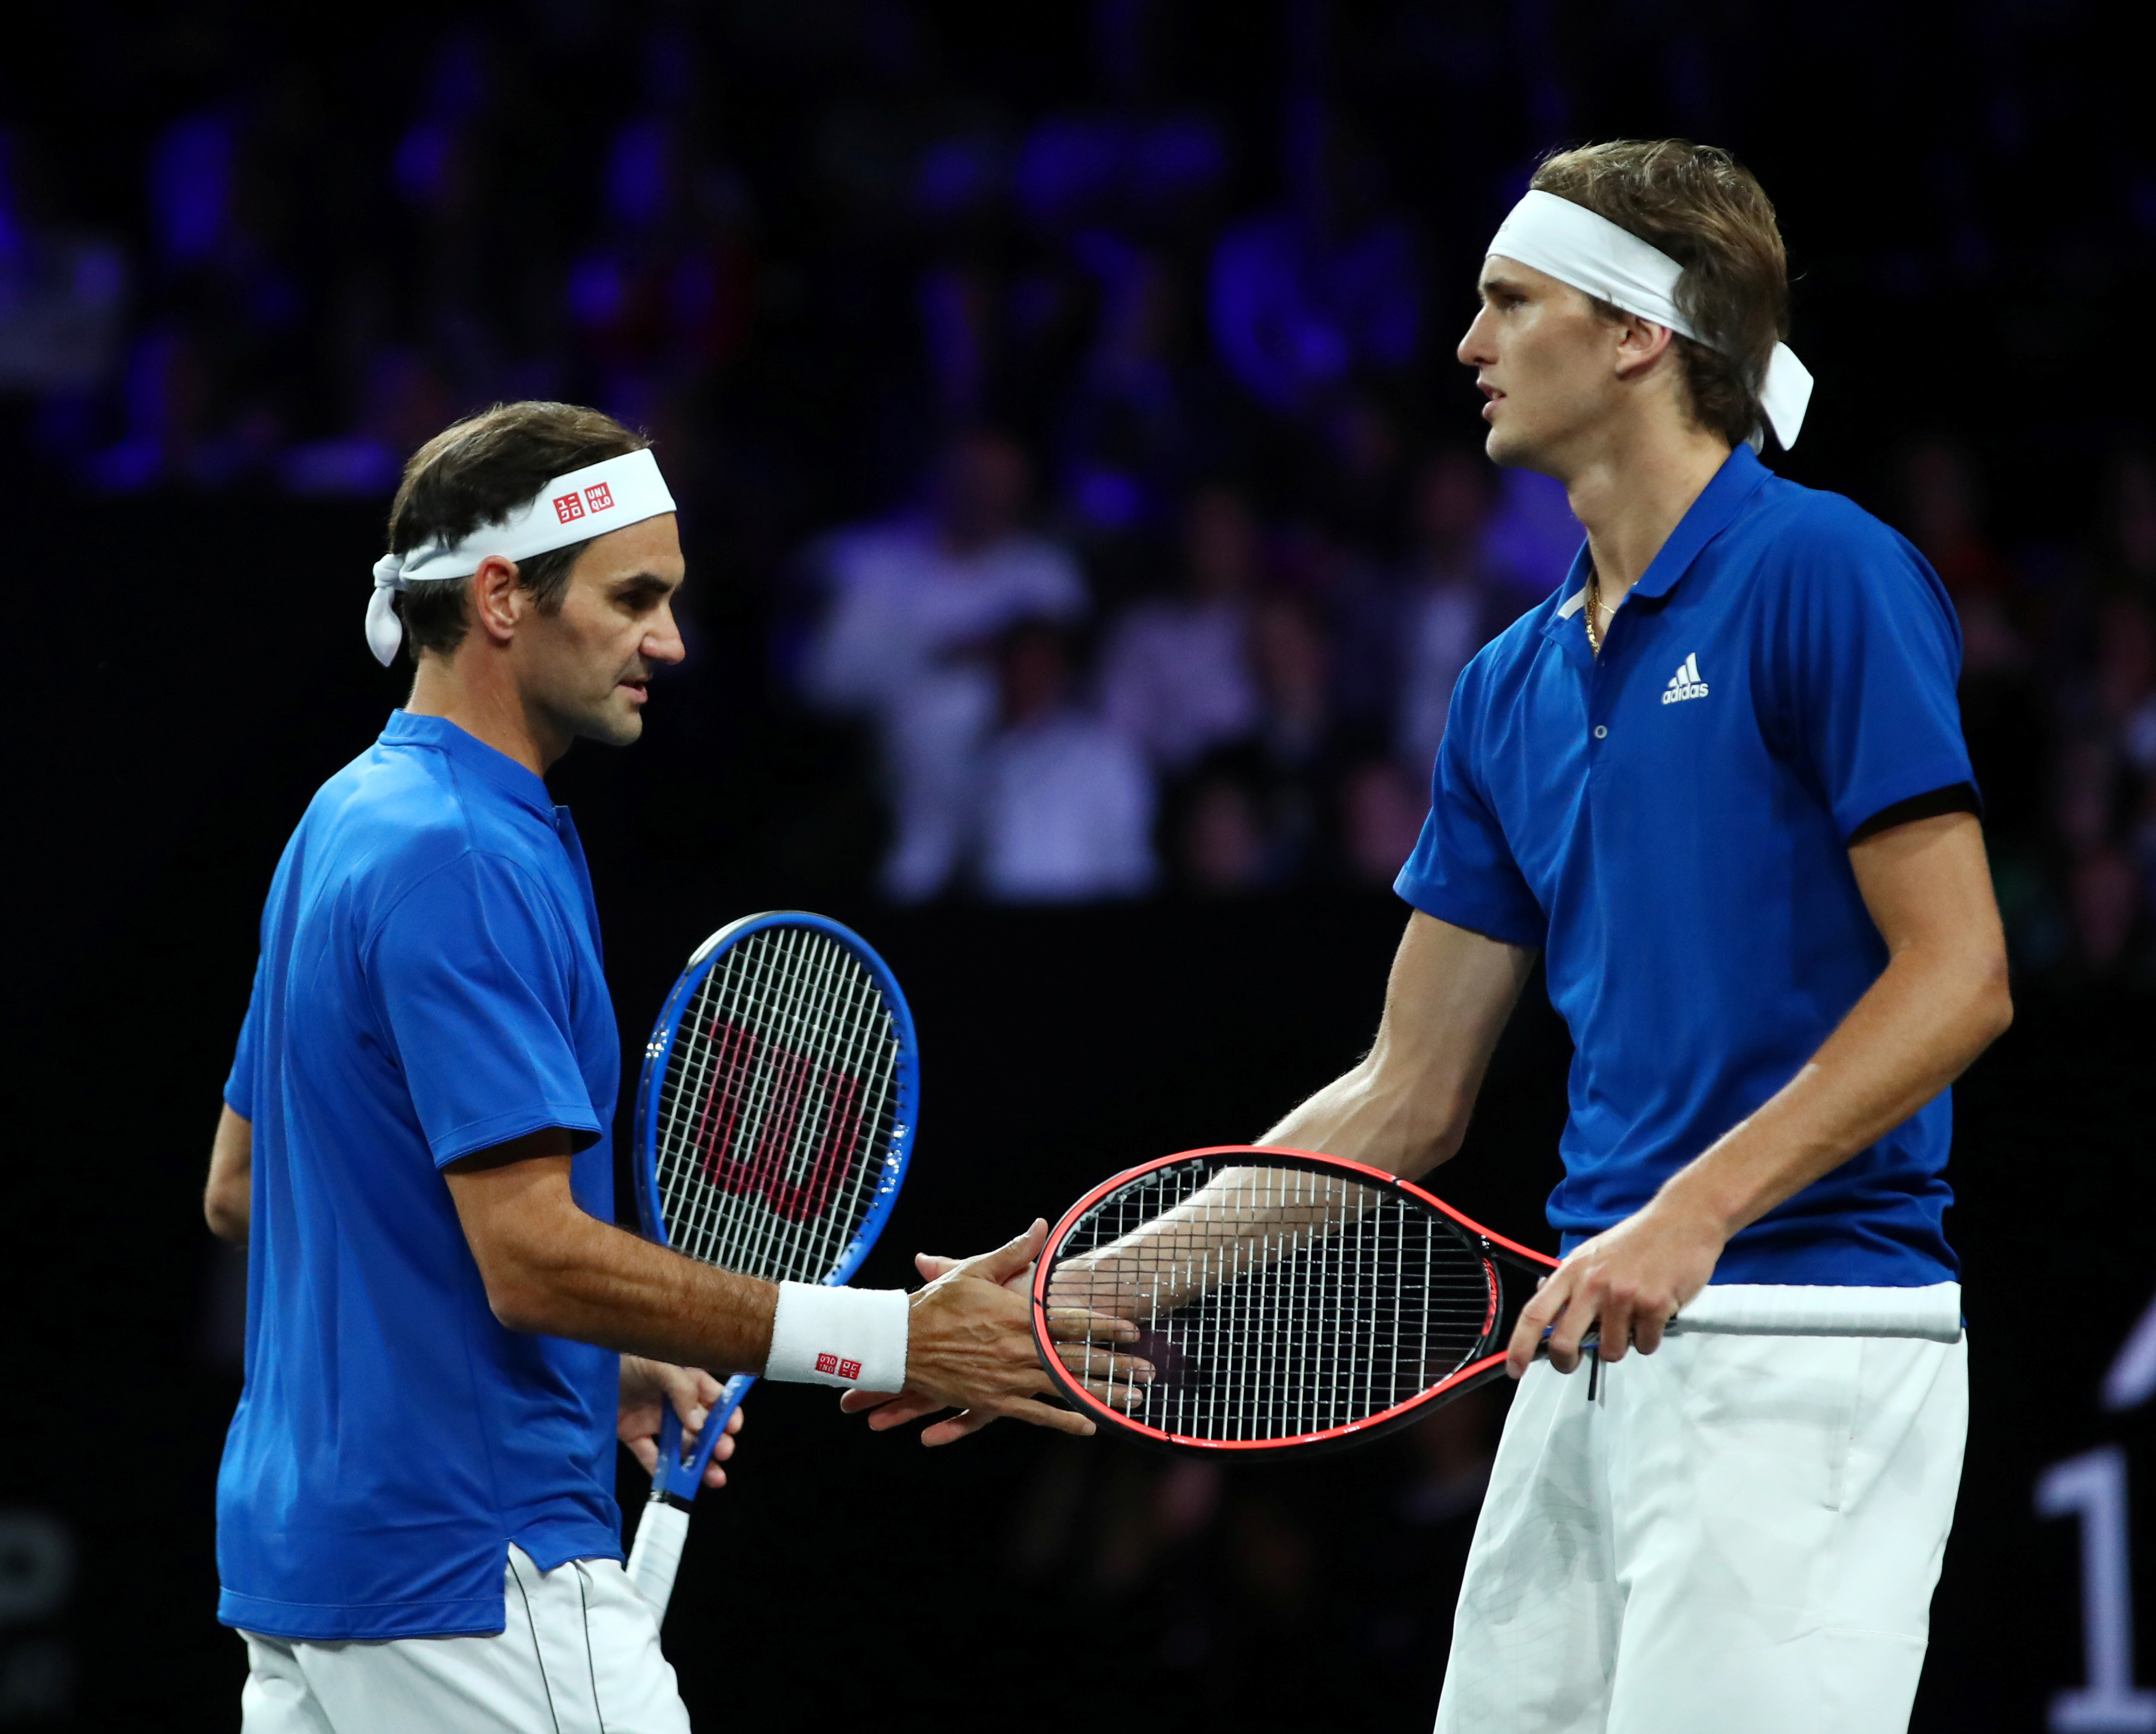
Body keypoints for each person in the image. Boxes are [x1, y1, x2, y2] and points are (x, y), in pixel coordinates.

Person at [204, 401, 1110, 1734]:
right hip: (476, 1569)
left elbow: (245, 1184)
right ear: (501, 598)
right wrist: (891, 1339)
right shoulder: (463, 853)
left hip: (311, 1566)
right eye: (632, 599)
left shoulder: (347, 816)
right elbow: (528, 1259)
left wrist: (594, 1367)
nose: (670, 641)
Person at [1249, 142, 2008, 1731]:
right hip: (1587, 1344)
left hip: (1807, 1341)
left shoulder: (1824, 571)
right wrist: (1098, 1285)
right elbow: (1403, 1091)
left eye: (1508, 301)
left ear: (1636, 333)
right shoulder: (1503, 686)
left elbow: (1958, 978)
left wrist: (1691, 1212)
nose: (1467, 343)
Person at [798, 428, 1087, 901]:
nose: (987, 495)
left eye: (1003, 483)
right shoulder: (872, 561)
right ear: (941, 478)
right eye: (974, 479)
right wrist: (943, 654)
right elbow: (826, 683)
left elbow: (1061, 681)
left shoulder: (1047, 572)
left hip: (1024, 767)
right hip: (895, 764)